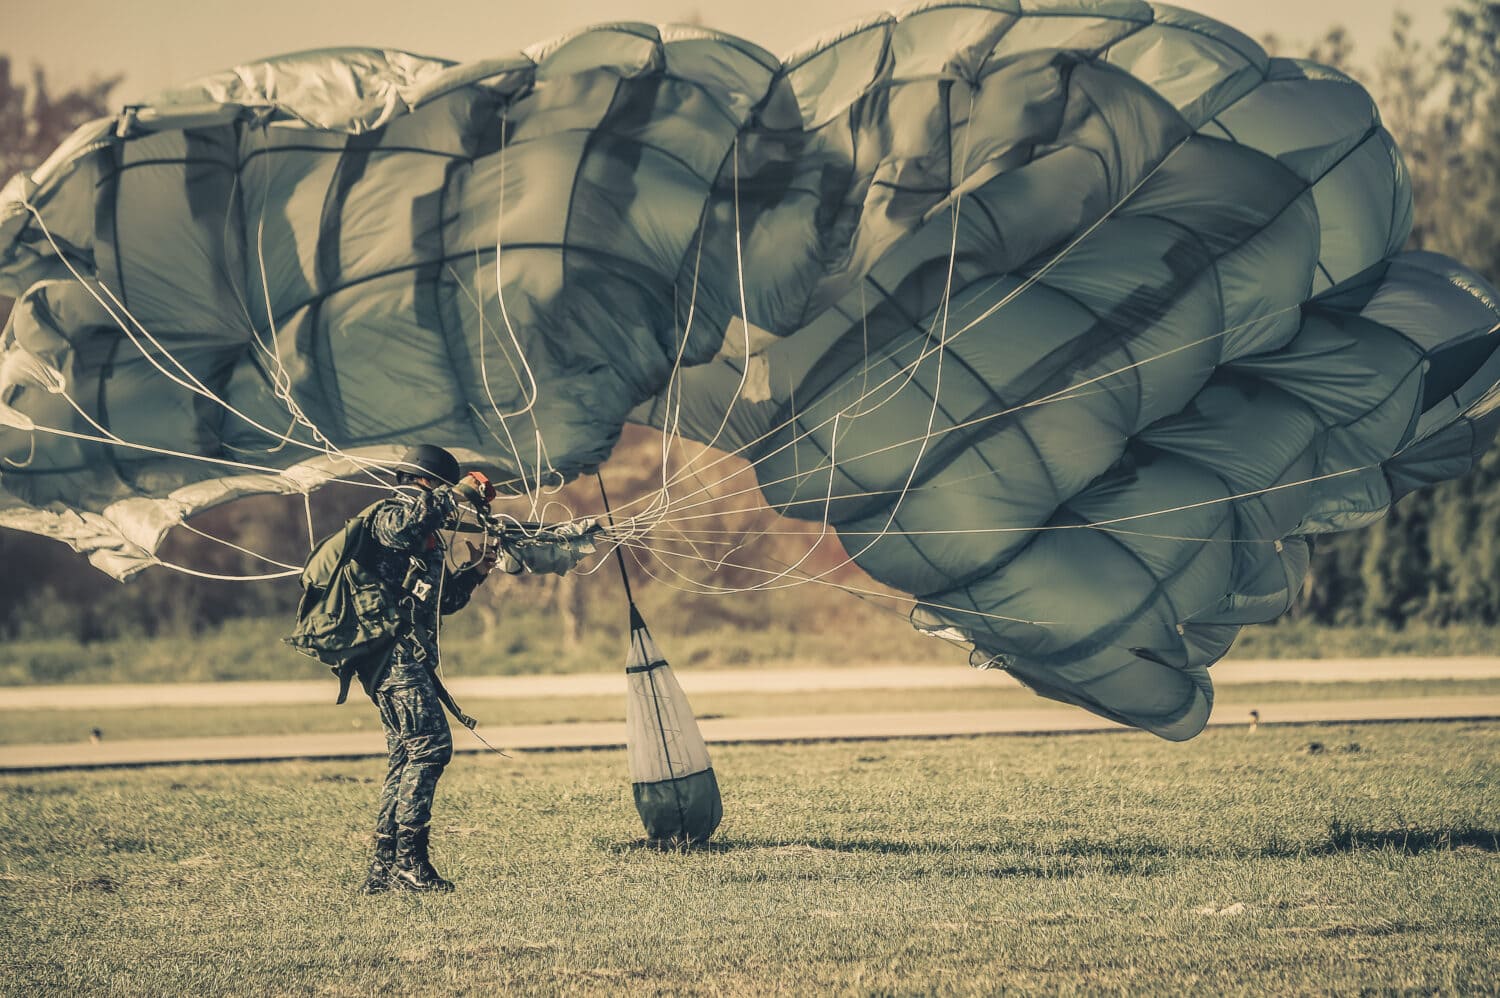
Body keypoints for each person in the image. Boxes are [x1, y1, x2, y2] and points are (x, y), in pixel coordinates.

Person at [358, 443, 503, 894]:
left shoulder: (426, 536)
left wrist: (478, 568)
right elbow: (402, 529)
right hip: (390, 655)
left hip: (408, 655)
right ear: (427, 482)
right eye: (442, 489)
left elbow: (444, 600)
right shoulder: (390, 513)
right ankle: (409, 862)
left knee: (406, 756)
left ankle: (384, 868)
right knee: (431, 748)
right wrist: (458, 492)